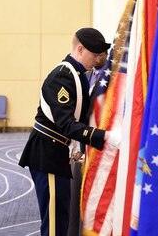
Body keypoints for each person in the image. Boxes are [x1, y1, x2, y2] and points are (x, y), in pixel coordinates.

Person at [18, 28, 121, 236]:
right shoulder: (62, 77)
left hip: (57, 153)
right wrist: (106, 136)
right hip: (48, 154)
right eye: (95, 53)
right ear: (80, 49)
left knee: (61, 218)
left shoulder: (77, 75)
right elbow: (66, 124)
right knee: (55, 225)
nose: (98, 58)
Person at [67, 49, 109, 236]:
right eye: (96, 53)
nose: (98, 58)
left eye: (103, 53)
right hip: (81, 146)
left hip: (99, 150)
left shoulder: (111, 79)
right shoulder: (84, 75)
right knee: (74, 201)